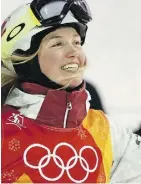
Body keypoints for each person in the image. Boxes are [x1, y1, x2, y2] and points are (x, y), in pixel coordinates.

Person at [1, 0, 141, 183]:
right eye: (57, 43)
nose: (74, 51)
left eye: (76, 42)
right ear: (25, 59)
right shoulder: (4, 131)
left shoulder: (105, 131)